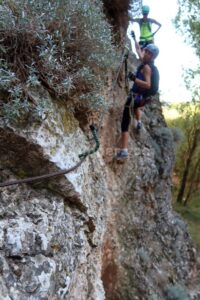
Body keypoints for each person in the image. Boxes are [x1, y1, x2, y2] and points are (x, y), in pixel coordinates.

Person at [115, 43, 159, 160]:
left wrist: (134, 79)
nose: (146, 54)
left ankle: (124, 151)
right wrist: (135, 39)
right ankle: (138, 122)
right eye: (147, 51)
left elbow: (148, 85)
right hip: (141, 99)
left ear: (153, 57)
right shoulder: (145, 62)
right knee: (134, 109)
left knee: (125, 120)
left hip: (136, 97)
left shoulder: (147, 67)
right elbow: (139, 51)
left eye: (150, 53)